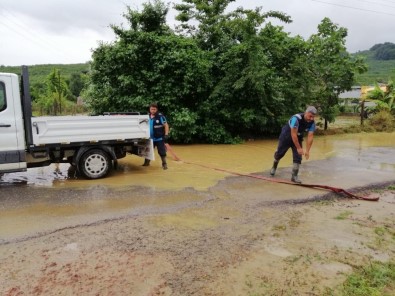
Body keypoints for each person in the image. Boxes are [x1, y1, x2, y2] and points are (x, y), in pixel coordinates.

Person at [269, 106, 317, 183]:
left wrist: (307, 151)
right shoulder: (296, 119)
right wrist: (298, 147)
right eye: (310, 116)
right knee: (279, 154)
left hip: (298, 137)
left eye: (313, 117)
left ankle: (294, 176)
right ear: (305, 113)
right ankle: (274, 166)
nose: (311, 118)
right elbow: (293, 135)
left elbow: (310, 137)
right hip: (286, 136)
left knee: (298, 157)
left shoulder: (312, 123)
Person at [142, 103, 170, 170]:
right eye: (152, 109)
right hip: (149, 139)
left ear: (156, 109)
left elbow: (166, 125)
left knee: (162, 152)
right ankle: (146, 163)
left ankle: (164, 164)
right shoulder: (146, 117)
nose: (153, 110)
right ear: (149, 109)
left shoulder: (160, 117)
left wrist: (166, 134)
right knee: (147, 152)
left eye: (154, 109)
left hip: (159, 138)